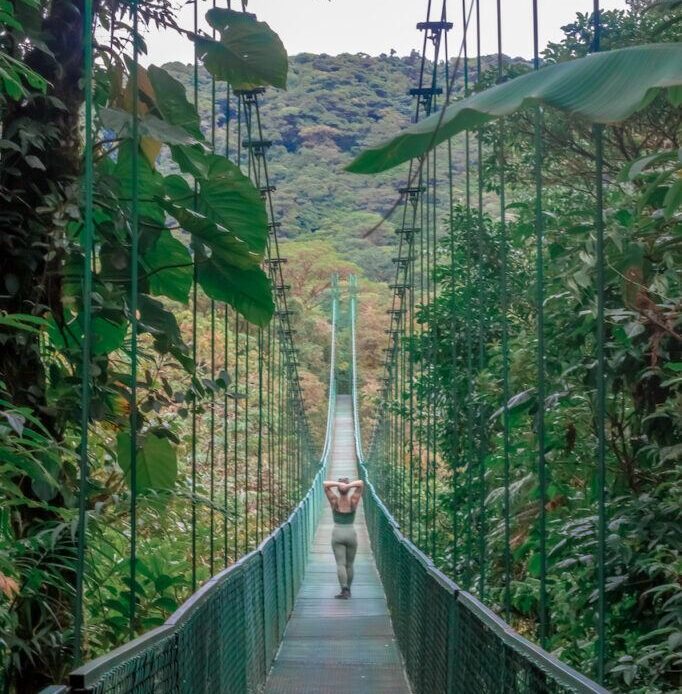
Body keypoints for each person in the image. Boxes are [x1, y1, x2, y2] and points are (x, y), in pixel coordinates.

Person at [323, 477, 364, 599]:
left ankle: (344, 589)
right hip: (351, 533)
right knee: (350, 564)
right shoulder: (354, 501)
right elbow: (361, 483)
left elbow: (325, 484)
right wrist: (349, 485)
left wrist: (338, 484)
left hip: (337, 534)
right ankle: (349, 591)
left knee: (341, 564)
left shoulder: (334, 500)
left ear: (339, 489)